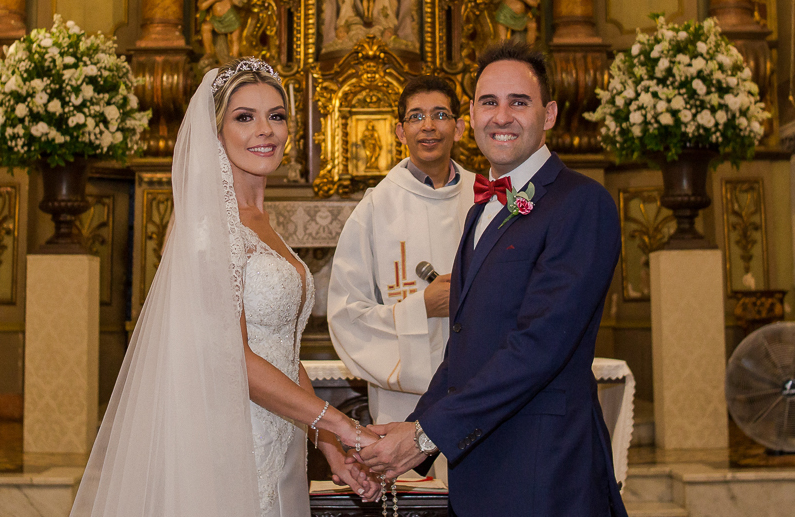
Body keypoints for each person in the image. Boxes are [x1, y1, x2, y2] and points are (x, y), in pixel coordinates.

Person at [70, 59, 381, 517]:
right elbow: (231, 357)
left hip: (280, 443)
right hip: (229, 443)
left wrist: (330, 445)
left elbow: (281, 352)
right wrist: (342, 423)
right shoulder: (207, 227)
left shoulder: (262, 222)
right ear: (216, 133)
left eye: (276, 116)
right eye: (244, 117)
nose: (265, 130)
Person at [356, 42, 627, 517]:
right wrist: (409, 429)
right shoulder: (480, 211)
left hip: (546, 471)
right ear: (472, 116)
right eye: (488, 102)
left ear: (549, 114)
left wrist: (423, 437)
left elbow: (539, 346)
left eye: (518, 102)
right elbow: (465, 348)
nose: (501, 117)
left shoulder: (582, 203)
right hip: (479, 471)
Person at [328, 76, 475, 482]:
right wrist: (421, 308)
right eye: (416, 116)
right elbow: (346, 314)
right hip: (402, 407)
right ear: (399, 131)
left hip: (479, 396)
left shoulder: (486, 197)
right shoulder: (375, 208)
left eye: (440, 114)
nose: (428, 126)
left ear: (459, 127)